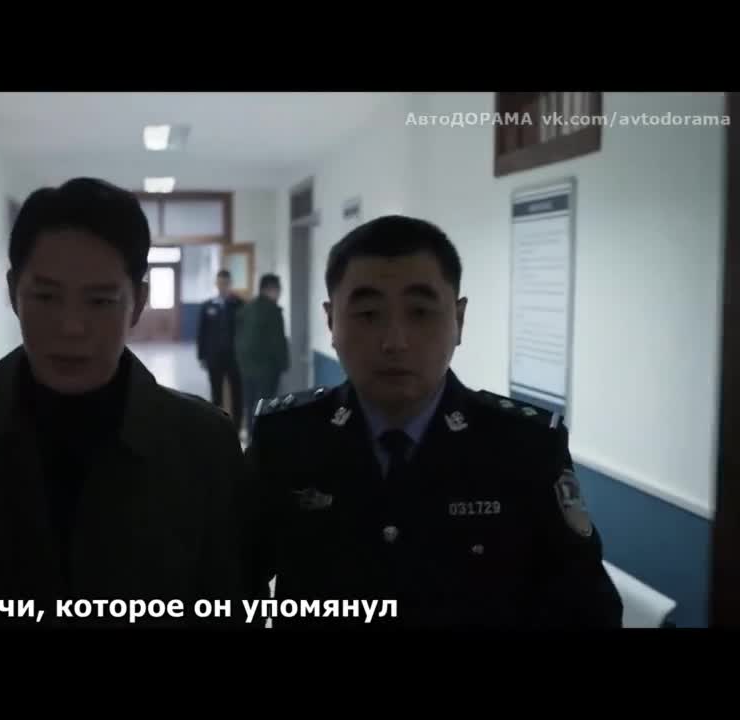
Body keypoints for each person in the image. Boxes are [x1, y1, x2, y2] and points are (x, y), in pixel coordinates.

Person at [0, 178, 247, 628]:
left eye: (100, 301)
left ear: (138, 302)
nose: (71, 327)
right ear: (12, 292)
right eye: (45, 297)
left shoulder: (204, 447)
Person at [244, 215, 622, 628]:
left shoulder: (524, 448)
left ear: (459, 320)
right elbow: (231, 590)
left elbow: (588, 611)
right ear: (331, 321)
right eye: (368, 314)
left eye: (421, 313)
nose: (395, 342)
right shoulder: (286, 440)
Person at [235, 273, 290, 437]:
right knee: (265, 405)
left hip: (246, 368)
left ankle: (251, 437)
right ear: (271, 289)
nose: (279, 293)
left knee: (250, 404)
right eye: (278, 290)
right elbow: (277, 342)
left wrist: (241, 362)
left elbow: (237, 338)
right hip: (267, 370)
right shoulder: (273, 311)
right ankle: (263, 439)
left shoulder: (245, 309)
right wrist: (284, 364)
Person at [197, 269, 244, 432]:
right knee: (216, 394)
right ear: (216, 284)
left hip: (235, 358)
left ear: (230, 284)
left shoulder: (239, 304)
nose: (223, 286)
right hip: (214, 357)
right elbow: (201, 333)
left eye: (226, 283)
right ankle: (218, 429)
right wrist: (201, 356)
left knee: (237, 394)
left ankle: (237, 428)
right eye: (220, 283)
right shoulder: (207, 306)